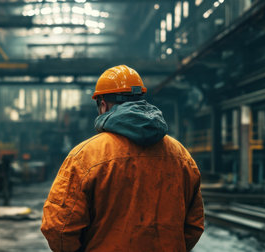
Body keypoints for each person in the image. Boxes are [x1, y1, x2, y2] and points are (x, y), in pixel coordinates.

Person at [41, 65, 204, 252]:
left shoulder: (85, 156)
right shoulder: (181, 155)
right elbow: (194, 225)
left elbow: (58, 229)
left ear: (103, 105)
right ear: (140, 100)